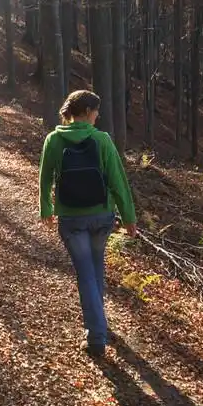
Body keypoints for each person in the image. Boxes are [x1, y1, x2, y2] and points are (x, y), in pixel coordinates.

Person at [38, 90, 137, 360]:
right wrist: (129, 216)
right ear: (87, 112)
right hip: (101, 216)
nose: (98, 116)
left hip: (72, 219)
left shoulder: (54, 140)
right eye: (96, 111)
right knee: (95, 268)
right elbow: (117, 180)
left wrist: (45, 208)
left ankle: (96, 335)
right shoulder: (102, 140)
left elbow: (46, 177)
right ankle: (99, 327)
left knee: (86, 273)